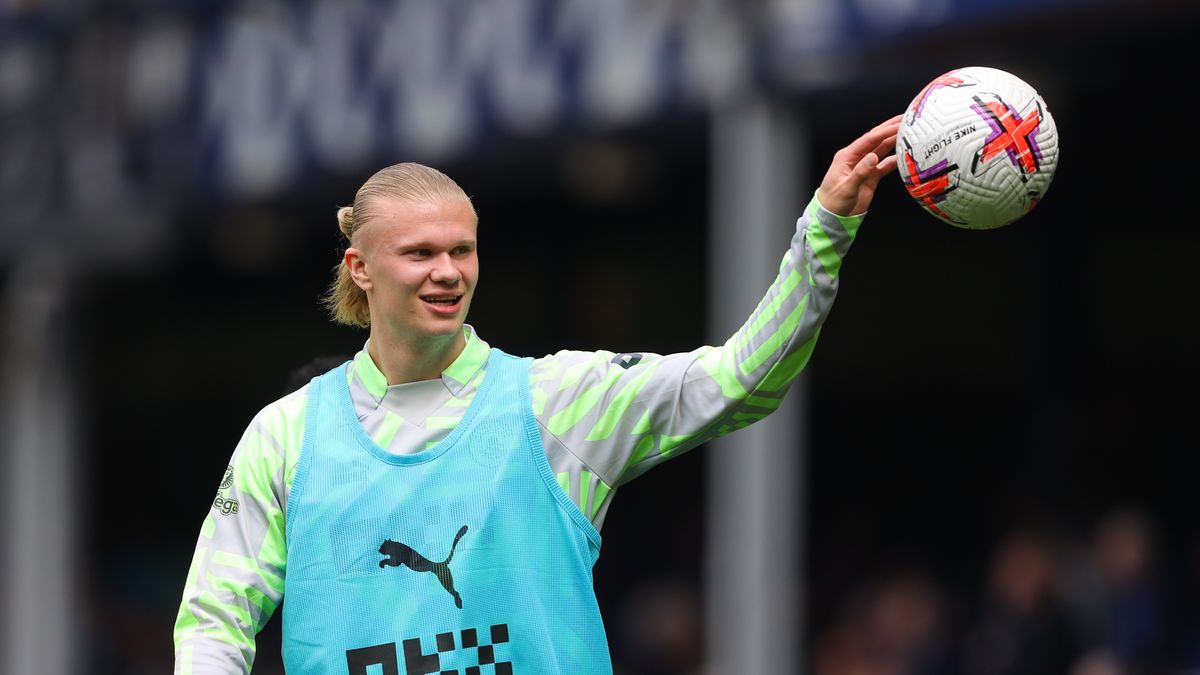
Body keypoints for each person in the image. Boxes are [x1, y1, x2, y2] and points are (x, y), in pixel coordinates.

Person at [173, 114, 902, 674]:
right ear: (360, 267)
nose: (449, 271)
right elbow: (213, 618)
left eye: (462, 248)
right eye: (420, 252)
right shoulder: (287, 433)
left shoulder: (558, 399)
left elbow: (743, 380)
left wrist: (826, 229)